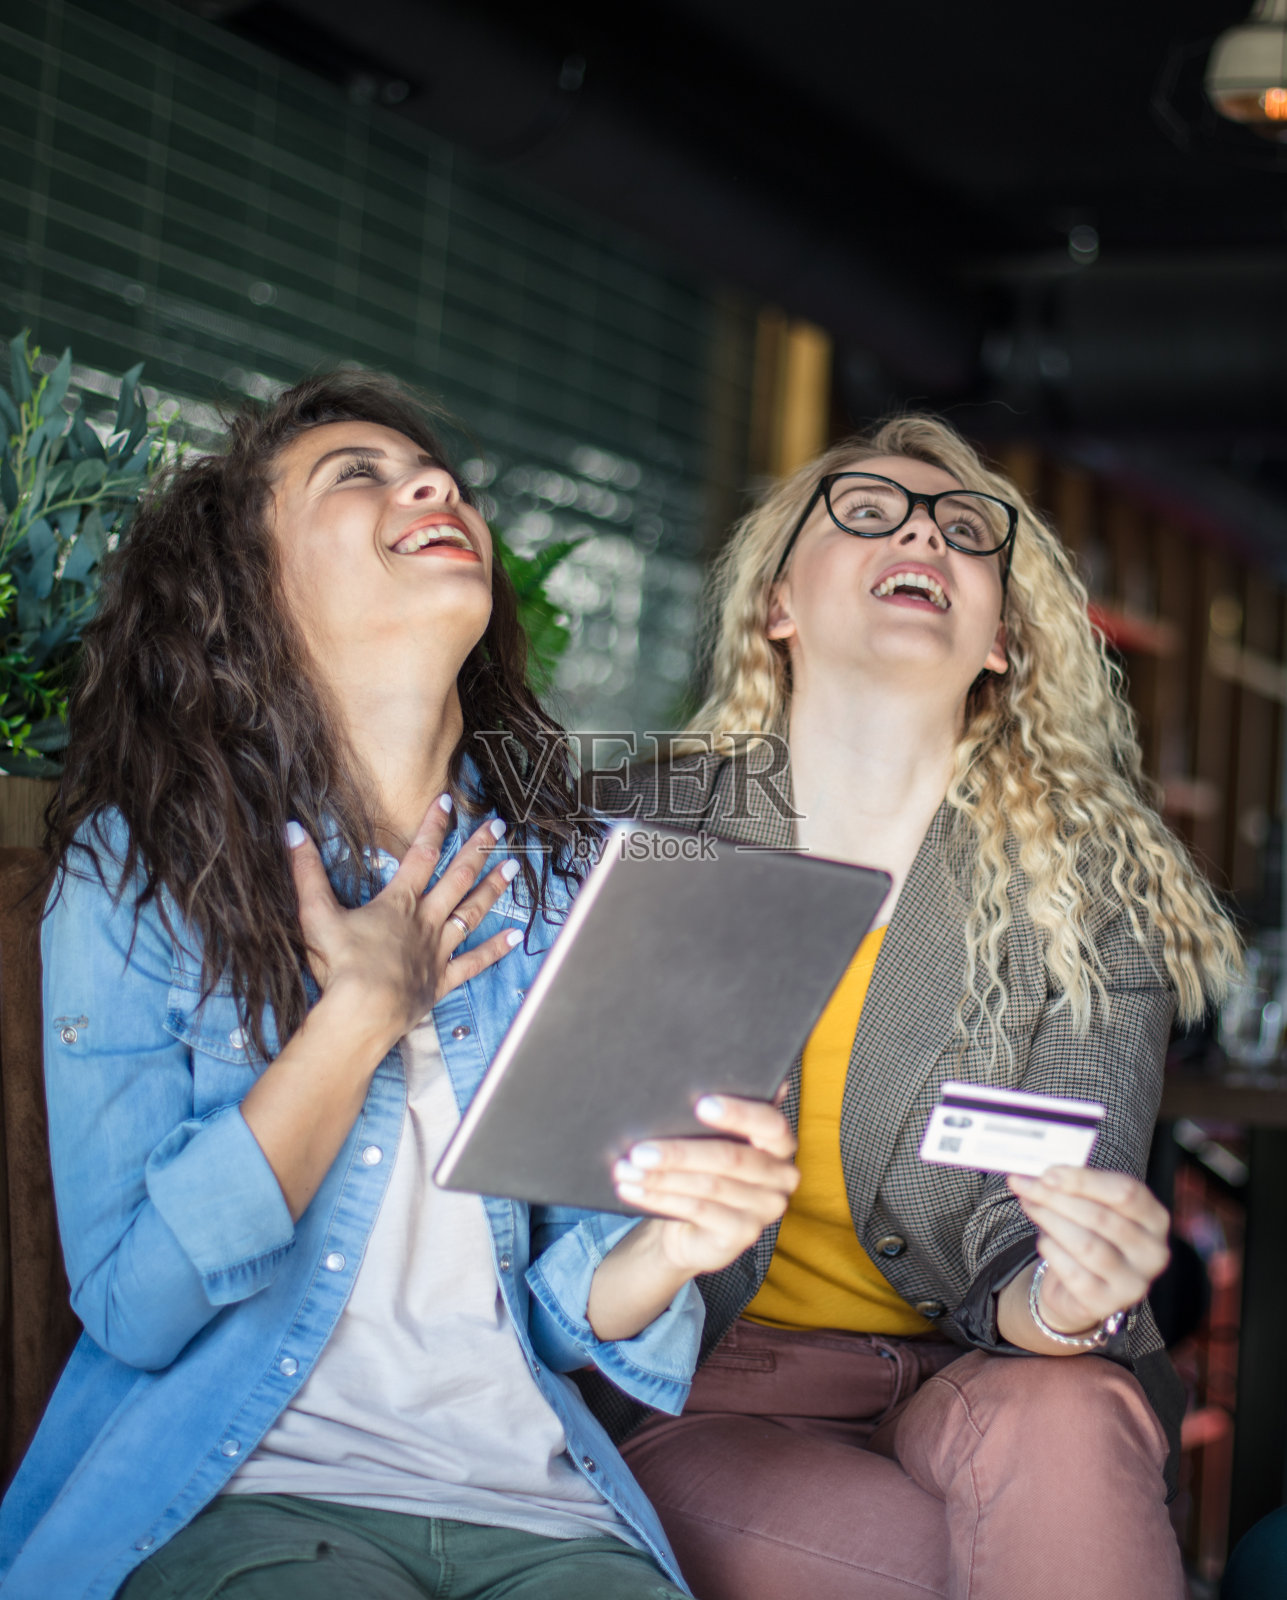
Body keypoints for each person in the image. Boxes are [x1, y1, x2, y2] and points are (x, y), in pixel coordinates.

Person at [0, 373, 799, 1600]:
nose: (434, 486)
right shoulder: (138, 866)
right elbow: (136, 1302)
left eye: (436, 476)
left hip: (536, 1507)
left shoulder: (560, 884)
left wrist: (675, 1242)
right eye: (354, 475)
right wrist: (359, 1017)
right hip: (241, 1495)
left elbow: (558, 1307)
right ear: (249, 588)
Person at [581, 416, 1242, 1600]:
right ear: (777, 605)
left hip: (995, 1370)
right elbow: (556, 1203)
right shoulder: (641, 839)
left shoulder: (1090, 894)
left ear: (1001, 640)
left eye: (963, 527)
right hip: (709, 1393)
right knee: (967, 1566)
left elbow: (1034, 1235)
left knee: (1075, 1419)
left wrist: (1072, 1291)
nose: (926, 529)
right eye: (871, 510)